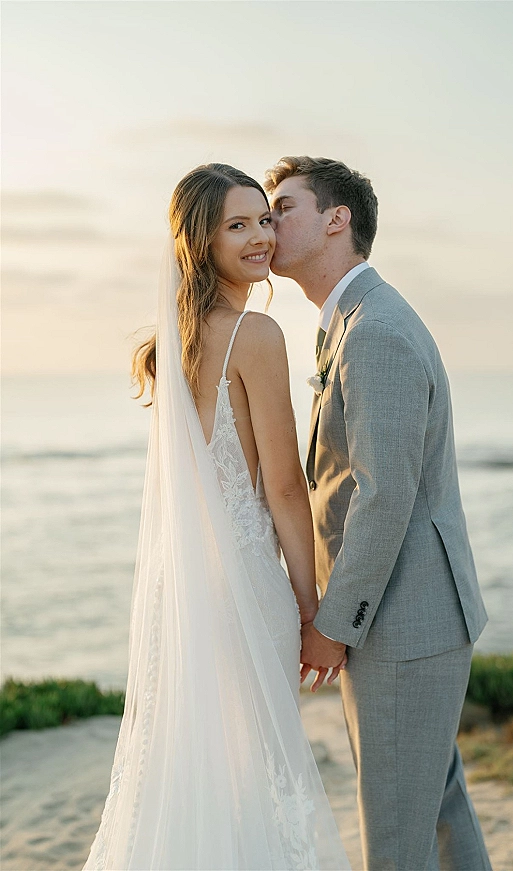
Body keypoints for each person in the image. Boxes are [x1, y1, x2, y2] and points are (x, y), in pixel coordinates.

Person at [82, 164, 350, 871]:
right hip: (245, 588)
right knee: (256, 768)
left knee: (194, 765)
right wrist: (310, 604)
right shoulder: (254, 334)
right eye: (238, 225)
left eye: (265, 219)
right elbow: (286, 488)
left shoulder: (178, 339)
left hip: (187, 591)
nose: (261, 236)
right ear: (201, 241)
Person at [265, 156, 492, 871]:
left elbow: (383, 493)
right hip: (412, 621)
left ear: (338, 219)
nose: (269, 223)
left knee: (397, 841)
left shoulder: (375, 332)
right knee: (439, 812)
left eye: (283, 207)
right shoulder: (355, 322)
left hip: (404, 627)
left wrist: (333, 625)